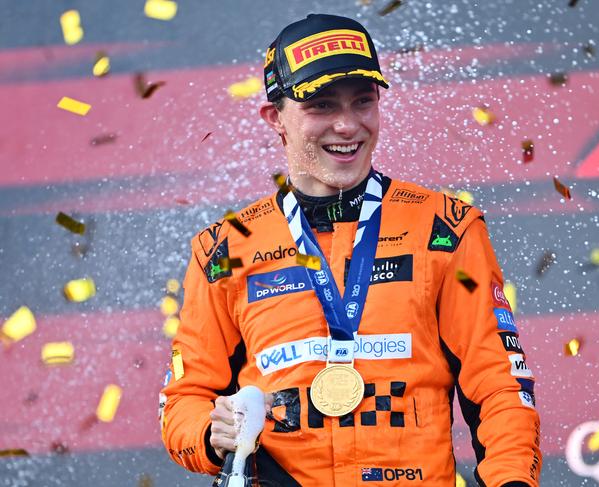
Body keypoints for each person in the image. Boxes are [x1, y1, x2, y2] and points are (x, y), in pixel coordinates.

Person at [160, 13, 542, 486]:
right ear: (275, 118)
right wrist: (209, 432)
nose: (347, 125)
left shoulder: (444, 228)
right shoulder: (224, 248)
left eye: (363, 102)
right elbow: (182, 401)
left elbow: (502, 388)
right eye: (320, 106)